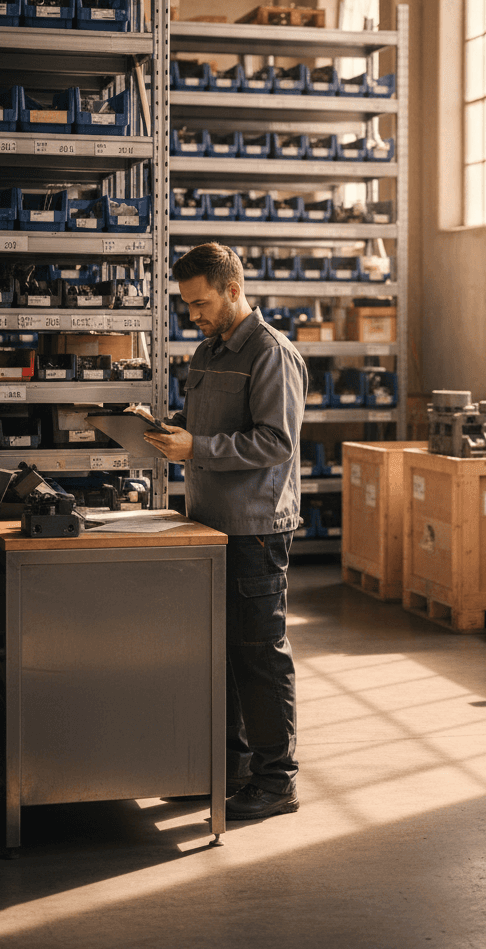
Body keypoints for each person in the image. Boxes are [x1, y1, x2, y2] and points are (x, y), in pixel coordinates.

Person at [144, 242, 307, 820]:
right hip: (209, 525)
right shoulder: (208, 352)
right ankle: (231, 768)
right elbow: (211, 428)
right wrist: (172, 431)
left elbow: (276, 443)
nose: (193, 315)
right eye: (187, 305)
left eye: (201, 302)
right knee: (220, 655)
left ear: (233, 289)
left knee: (258, 654)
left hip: (254, 528)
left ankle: (276, 779)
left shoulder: (270, 354)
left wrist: (198, 447)